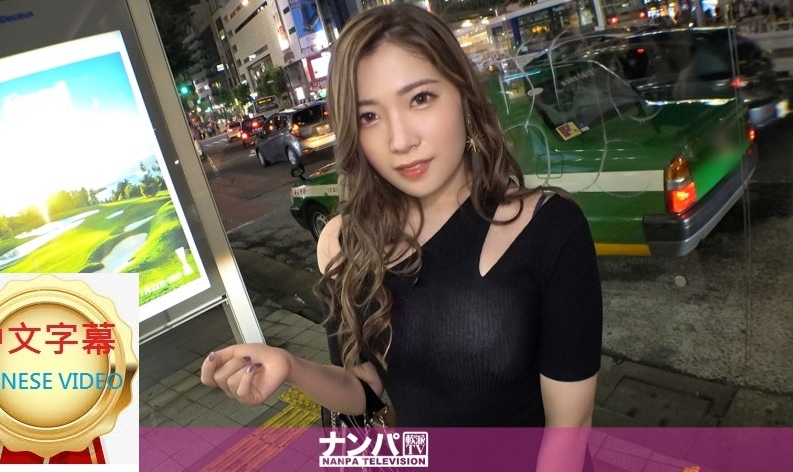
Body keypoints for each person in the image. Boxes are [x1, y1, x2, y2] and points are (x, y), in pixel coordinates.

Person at [202, 3, 602, 469]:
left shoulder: (549, 228)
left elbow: (569, 429)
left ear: (464, 95)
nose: (400, 140)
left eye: (420, 98)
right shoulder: (344, 242)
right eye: (369, 116)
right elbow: (364, 391)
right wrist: (289, 366)